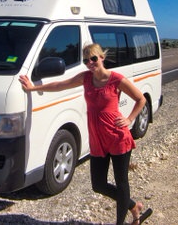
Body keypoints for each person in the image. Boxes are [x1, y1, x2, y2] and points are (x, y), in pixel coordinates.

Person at [19, 43, 150, 225]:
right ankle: (134, 206)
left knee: (122, 183)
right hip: (97, 139)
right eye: (86, 60)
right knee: (98, 185)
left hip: (117, 137)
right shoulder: (86, 78)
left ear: (102, 58)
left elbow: (140, 99)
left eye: (94, 58)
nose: (90, 62)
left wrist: (129, 120)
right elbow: (61, 85)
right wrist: (32, 88)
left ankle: (123, 221)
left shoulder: (116, 79)